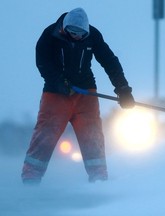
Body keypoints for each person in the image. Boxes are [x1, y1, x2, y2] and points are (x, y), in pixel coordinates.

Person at [21, 7, 135, 184]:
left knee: (92, 135)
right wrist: (60, 83)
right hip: (55, 94)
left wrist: (123, 89)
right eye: (73, 32)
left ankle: (99, 179)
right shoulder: (49, 35)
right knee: (45, 134)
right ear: (64, 28)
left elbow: (110, 61)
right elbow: (43, 62)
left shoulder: (94, 36)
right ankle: (31, 177)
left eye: (81, 34)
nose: (76, 36)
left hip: (85, 93)